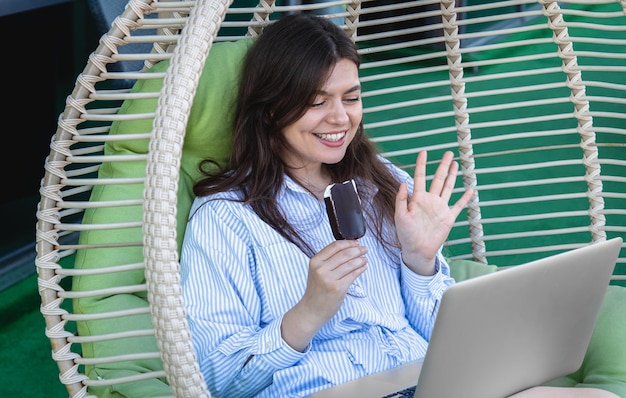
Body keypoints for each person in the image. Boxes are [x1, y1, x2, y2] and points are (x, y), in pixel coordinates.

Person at [179, 13, 618, 398]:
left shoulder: (385, 185)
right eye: (316, 102)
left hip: (433, 382)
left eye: (351, 98)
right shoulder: (225, 218)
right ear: (272, 109)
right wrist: (306, 313)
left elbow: (450, 340)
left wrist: (420, 262)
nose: (340, 118)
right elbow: (219, 380)